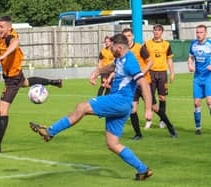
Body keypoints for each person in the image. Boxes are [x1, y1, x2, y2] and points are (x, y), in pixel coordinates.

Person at [30, 34, 153, 181]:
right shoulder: (121, 58)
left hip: (120, 101)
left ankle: (50, 131)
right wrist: (98, 71)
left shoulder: (131, 61)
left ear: (119, 47)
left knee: (82, 107)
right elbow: (113, 66)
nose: (109, 48)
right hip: (121, 105)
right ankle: (143, 169)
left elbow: (144, 84)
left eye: (112, 47)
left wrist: (148, 109)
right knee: (112, 144)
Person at [0, 16, 63, 158]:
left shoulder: (10, 37)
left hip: (12, 79)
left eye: (1, 26)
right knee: (25, 83)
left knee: (2, 111)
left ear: (8, 27)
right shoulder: (2, 34)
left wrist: (2, 56)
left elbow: (15, 43)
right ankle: (54, 81)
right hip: (14, 75)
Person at [141, 24, 177, 137]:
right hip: (150, 73)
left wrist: (172, 72)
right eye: (155, 30)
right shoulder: (147, 44)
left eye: (159, 30)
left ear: (162, 32)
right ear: (153, 32)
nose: (156, 32)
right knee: (149, 98)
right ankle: (149, 120)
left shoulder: (166, 44)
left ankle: (162, 119)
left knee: (162, 97)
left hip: (162, 73)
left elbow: (169, 59)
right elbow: (142, 59)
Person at [122, 28, 152, 140]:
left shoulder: (140, 47)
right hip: (132, 84)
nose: (127, 38)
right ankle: (138, 134)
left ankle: (169, 126)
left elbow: (150, 61)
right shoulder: (123, 50)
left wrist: (142, 73)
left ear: (133, 36)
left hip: (144, 81)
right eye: (125, 36)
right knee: (133, 109)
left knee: (154, 107)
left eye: (129, 35)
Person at [187, 24, 211, 135]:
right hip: (197, 78)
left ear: (205, 33)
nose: (198, 34)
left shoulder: (210, 44)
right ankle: (198, 127)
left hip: (208, 77)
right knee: (196, 103)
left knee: (209, 101)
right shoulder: (193, 44)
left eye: (201, 32)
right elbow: (190, 57)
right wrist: (190, 65)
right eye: (197, 32)